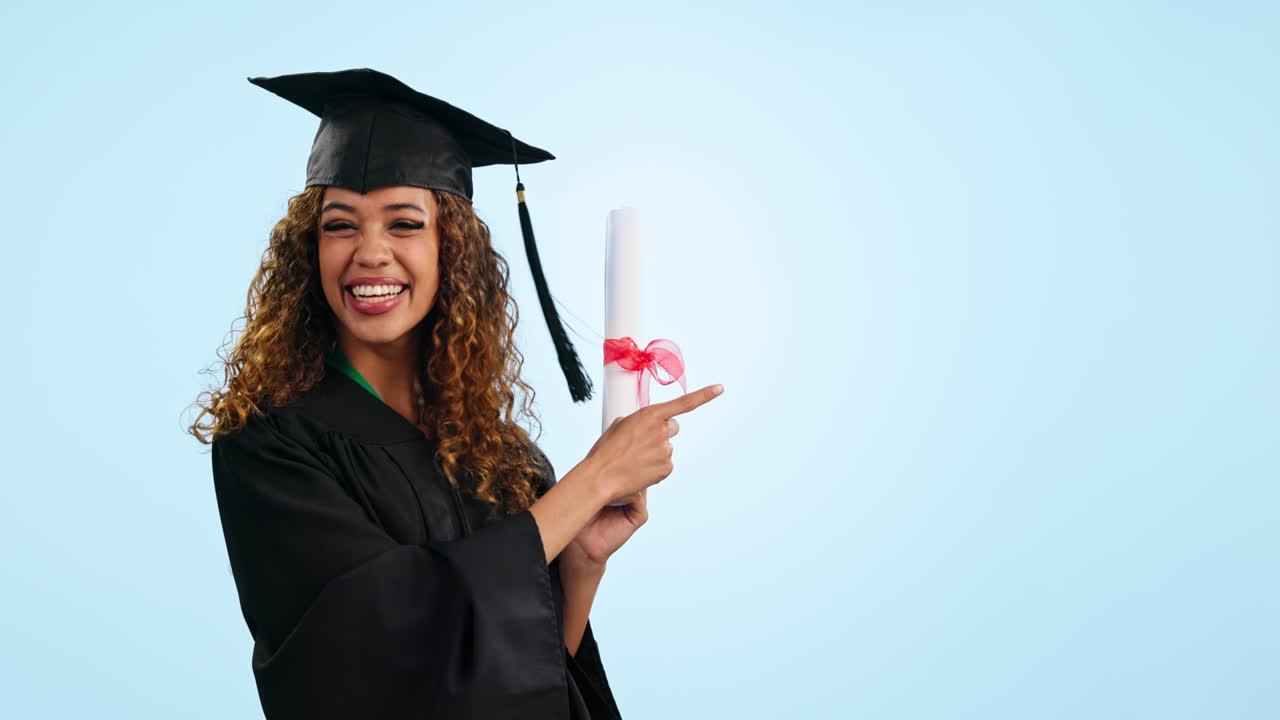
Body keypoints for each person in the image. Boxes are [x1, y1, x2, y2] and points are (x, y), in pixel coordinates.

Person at [187, 68, 725, 720]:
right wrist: (591, 482)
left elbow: (532, 676)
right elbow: (371, 654)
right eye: (340, 225)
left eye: (405, 223)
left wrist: (581, 560)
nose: (370, 252)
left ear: (452, 249)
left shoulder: (506, 458)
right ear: (310, 248)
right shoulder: (270, 443)